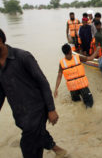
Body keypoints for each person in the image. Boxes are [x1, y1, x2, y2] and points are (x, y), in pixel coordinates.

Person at [0, 29, 67, 158]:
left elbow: (43, 82)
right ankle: (58, 150)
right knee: (37, 140)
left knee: (27, 145)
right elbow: (1, 93)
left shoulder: (23, 57)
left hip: (37, 109)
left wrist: (51, 109)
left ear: (1, 40)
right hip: (20, 115)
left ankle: (57, 149)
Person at [54, 43, 100, 108]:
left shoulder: (61, 63)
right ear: (70, 50)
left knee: (77, 105)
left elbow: (59, 76)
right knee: (90, 104)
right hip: (82, 86)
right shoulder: (78, 57)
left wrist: (56, 89)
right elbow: (91, 58)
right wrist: (97, 50)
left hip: (73, 89)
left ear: (64, 53)